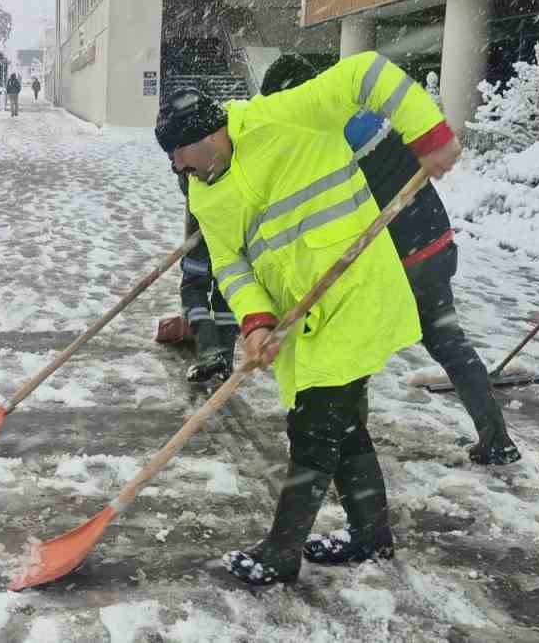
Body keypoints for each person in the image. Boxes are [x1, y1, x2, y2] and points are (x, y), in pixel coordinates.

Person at [156, 52, 461, 587]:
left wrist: (429, 134)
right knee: (343, 423)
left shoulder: (285, 114)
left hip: (356, 294)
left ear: (206, 134)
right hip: (302, 320)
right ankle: (372, 535)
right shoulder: (206, 191)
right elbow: (230, 263)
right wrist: (254, 320)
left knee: (316, 426)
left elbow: (367, 71)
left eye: (178, 155)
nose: (178, 168)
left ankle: (281, 550)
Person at [260, 55, 520, 466]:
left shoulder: (325, 136)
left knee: (349, 357)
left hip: (393, 258)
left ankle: (343, 450)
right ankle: (497, 438)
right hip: (434, 241)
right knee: (448, 341)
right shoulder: (370, 115)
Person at [176, 172, 239, 384]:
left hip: (203, 228)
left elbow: (187, 184)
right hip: (234, 229)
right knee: (228, 289)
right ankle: (225, 362)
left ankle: (211, 353)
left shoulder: (191, 149)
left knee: (193, 288)